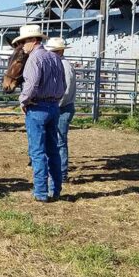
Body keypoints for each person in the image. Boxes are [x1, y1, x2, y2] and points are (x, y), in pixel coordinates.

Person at [13, 24, 65, 202]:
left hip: (37, 108)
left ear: (33, 41)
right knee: (53, 150)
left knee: (37, 151)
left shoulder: (34, 59)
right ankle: (55, 189)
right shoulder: (55, 58)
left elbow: (32, 84)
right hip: (53, 107)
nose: (22, 46)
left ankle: (41, 192)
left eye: (23, 42)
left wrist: (23, 100)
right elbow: (62, 85)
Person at [45, 37, 76, 183]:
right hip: (60, 107)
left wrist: (55, 105)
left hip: (62, 108)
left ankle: (62, 173)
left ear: (60, 51)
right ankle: (58, 171)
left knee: (60, 141)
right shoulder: (59, 64)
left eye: (54, 51)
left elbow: (67, 90)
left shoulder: (64, 66)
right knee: (56, 140)